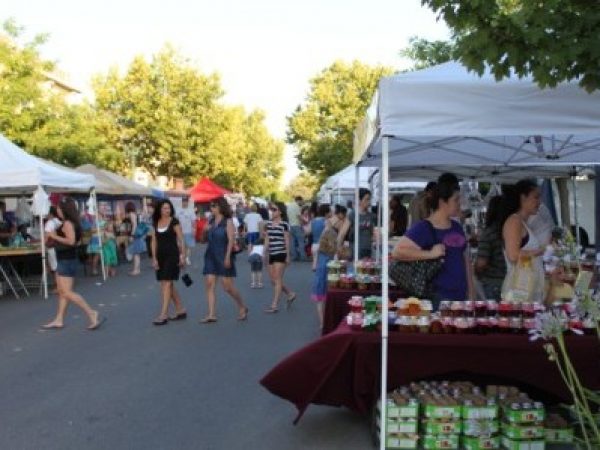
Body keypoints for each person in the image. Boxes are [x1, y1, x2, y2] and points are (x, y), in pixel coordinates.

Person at [393, 173, 474, 307]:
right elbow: (398, 252)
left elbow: (465, 260)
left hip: (461, 297)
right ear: (443, 202)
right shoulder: (424, 227)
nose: (459, 204)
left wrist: (471, 294)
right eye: (456, 200)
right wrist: (430, 254)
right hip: (438, 299)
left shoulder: (457, 227)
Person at [42, 197, 104, 330]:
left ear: (64, 209)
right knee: (62, 291)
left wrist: (54, 236)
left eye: (58, 207)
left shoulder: (68, 224)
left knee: (67, 292)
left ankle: (91, 312)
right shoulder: (68, 222)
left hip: (66, 259)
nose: (57, 209)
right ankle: (59, 319)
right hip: (65, 259)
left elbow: (71, 241)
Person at [201, 197, 248, 323]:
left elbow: (231, 240)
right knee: (209, 284)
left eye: (214, 206)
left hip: (223, 254)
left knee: (227, 287)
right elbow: (203, 240)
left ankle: (242, 305)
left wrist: (227, 257)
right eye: (210, 206)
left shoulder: (228, 221)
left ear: (220, 207)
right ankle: (211, 314)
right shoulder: (210, 221)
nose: (211, 208)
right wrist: (204, 231)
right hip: (210, 254)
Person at [501, 179, 545, 302]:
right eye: (535, 197)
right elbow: (513, 255)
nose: (539, 202)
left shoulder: (522, 222)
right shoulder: (514, 222)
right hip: (519, 290)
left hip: (528, 289)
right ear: (523, 198)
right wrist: (540, 251)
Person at [150, 199, 187, 325]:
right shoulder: (156, 222)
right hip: (160, 257)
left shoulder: (174, 221)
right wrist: (154, 258)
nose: (167, 210)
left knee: (166, 283)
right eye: (165, 208)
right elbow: (153, 241)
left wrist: (183, 255)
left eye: (169, 208)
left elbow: (181, 239)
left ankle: (163, 314)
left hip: (172, 255)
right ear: (159, 209)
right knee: (166, 284)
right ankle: (180, 309)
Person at [311, 209, 344, 329]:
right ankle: (330, 321)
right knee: (330, 298)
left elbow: (315, 257)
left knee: (319, 300)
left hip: (320, 273)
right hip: (331, 272)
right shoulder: (333, 248)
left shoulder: (320, 249)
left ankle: (322, 322)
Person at [264, 201, 296, 313]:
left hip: (281, 253)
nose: (272, 211)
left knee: (277, 279)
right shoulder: (268, 224)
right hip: (271, 253)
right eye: (271, 209)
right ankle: (290, 293)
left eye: (274, 209)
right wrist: (264, 252)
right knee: (273, 280)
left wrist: (287, 256)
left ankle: (274, 305)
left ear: (280, 211)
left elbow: (287, 241)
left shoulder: (284, 225)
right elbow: (267, 239)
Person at [475, 196, 506, 300]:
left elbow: (481, 263)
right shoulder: (509, 230)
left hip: (492, 283)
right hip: (507, 282)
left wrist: (475, 271)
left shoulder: (488, 233)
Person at [349, 188, 377, 259]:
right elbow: (342, 233)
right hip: (355, 252)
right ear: (359, 200)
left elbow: (374, 233)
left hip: (368, 252)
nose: (369, 202)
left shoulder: (372, 216)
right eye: (366, 199)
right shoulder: (352, 215)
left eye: (369, 199)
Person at [125, 202, 147, 276]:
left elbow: (134, 225)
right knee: (136, 253)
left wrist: (132, 235)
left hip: (136, 235)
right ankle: (137, 269)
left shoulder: (131, 214)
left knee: (135, 253)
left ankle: (136, 270)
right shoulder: (136, 213)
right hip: (139, 235)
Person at [44, 206, 61, 292]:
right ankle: (60, 284)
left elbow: (47, 236)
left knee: (54, 267)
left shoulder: (49, 223)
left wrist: (43, 243)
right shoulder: (58, 221)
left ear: (50, 213)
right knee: (57, 265)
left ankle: (58, 286)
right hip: (59, 245)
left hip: (51, 246)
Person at [309, 204, 330, 271]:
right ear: (326, 213)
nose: (331, 213)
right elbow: (326, 231)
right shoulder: (326, 221)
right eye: (330, 212)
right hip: (323, 244)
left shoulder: (313, 221)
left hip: (314, 244)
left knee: (315, 262)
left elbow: (308, 231)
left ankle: (315, 270)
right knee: (323, 265)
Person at [286, 196, 307, 261]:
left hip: (290, 225)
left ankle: (294, 256)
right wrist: (304, 222)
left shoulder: (289, 206)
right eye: (302, 201)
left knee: (292, 242)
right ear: (299, 200)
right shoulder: (296, 206)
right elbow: (299, 216)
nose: (302, 202)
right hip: (297, 225)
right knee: (301, 241)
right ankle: (302, 256)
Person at [177, 197, 196, 266]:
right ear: (182, 202)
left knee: (188, 246)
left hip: (189, 231)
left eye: (186, 201)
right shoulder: (178, 210)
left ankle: (187, 258)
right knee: (179, 246)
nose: (185, 203)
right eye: (183, 201)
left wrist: (194, 230)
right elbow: (175, 220)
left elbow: (193, 221)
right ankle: (182, 257)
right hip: (179, 232)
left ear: (188, 202)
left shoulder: (191, 210)